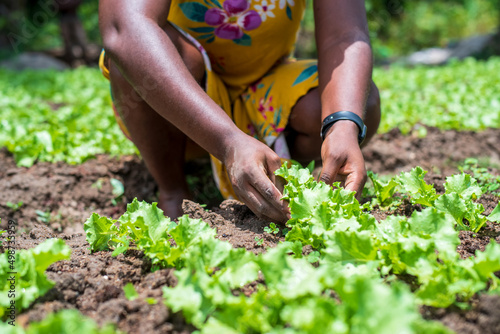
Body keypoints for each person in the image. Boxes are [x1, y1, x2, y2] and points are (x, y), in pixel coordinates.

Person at [98, 0, 381, 223]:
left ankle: (268, 171)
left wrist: (342, 123)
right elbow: (125, 28)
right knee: (135, 59)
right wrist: (227, 141)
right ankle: (173, 190)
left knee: (356, 104)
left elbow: (344, 35)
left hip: (265, 88)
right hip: (183, 97)